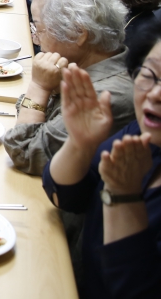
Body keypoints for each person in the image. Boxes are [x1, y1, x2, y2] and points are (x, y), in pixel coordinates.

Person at [40, 21, 161, 299]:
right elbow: (66, 197)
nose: (155, 94)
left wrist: (123, 196)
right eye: (149, 74)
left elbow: (136, 291)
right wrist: (80, 144)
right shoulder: (144, 136)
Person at [4, 0, 135, 176]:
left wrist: (39, 87)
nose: (36, 39)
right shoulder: (84, 67)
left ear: (77, 33)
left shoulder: (105, 95)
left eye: (38, 28)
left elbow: (26, 152)